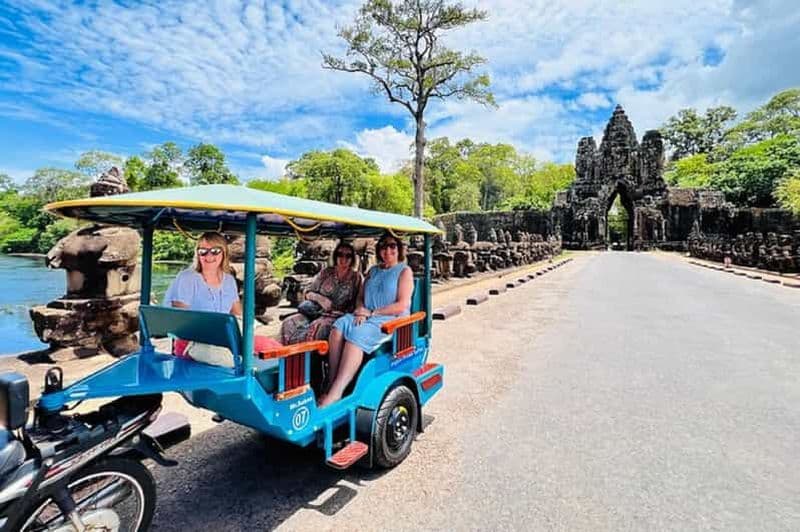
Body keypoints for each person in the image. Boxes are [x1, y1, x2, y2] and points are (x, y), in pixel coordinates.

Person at [318, 233, 414, 407]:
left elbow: (402, 304)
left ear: (399, 249)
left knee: (356, 335)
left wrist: (371, 313)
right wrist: (361, 309)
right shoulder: (373, 271)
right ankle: (331, 380)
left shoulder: (404, 271)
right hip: (366, 314)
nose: (388, 250)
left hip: (389, 320)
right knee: (338, 327)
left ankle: (336, 393)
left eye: (392, 246)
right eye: (383, 246)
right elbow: (361, 297)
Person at [280, 241, 362, 345]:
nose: (343, 258)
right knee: (288, 323)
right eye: (340, 254)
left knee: (317, 328)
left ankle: (310, 360)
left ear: (353, 258)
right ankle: (289, 358)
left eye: (348, 255)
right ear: (335, 256)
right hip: (315, 312)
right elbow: (307, 292)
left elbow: (360, 301)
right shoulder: (326, 272)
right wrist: (320, 298)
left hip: (338, 317)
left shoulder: (356, 278)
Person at [164, 231, 241, 315]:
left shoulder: (229, 280)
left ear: (224, 252)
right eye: (203, 251)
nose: (209, 256)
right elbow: (180, 317)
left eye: (215, 251)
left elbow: (237, 314)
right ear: (198, 254)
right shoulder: (187, 278)